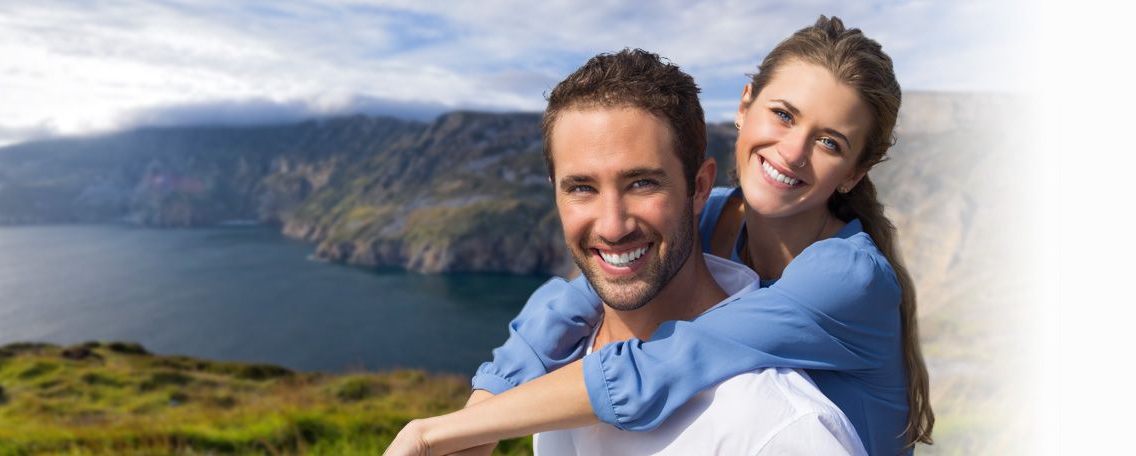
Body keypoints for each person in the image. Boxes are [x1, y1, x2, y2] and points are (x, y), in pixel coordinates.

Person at [388, 16, 930, 456]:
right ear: (745, 106)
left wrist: (435, 433)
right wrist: (481, 411)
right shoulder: (712, 215)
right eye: (783, 115)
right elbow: (566, 304)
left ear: (856, 172)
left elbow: (665, 364)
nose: (791, 151)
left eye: (830, 142)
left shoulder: (847, 276)